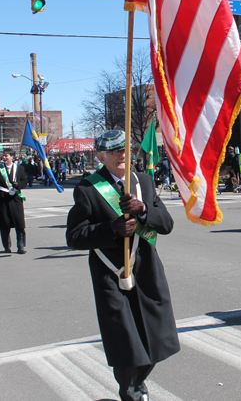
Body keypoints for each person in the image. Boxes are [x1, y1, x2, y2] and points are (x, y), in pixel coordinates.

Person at [66, 130, 180, 401]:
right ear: (101, 156)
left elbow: (166, 225)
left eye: (126, 150)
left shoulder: (144, 182)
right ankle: (130, 392)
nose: (122, 155)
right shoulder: (88, 189)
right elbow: (74, 237)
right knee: (125, 340)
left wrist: (143, 210)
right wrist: (111, 229)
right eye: (115, 151)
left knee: (156, 335)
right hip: (111, 275)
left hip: (147, 271)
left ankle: (139, 383)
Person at [0, 149, 27, 254]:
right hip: (2, 198)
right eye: (3, 156)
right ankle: (7, 246)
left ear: (12, 156)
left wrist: (18, 185)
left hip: (15, 198)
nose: (4, 157)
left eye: (6, 155)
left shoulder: (20, 168)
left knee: (19, 223)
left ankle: (21, 246)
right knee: (4, 224)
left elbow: (24, 181)